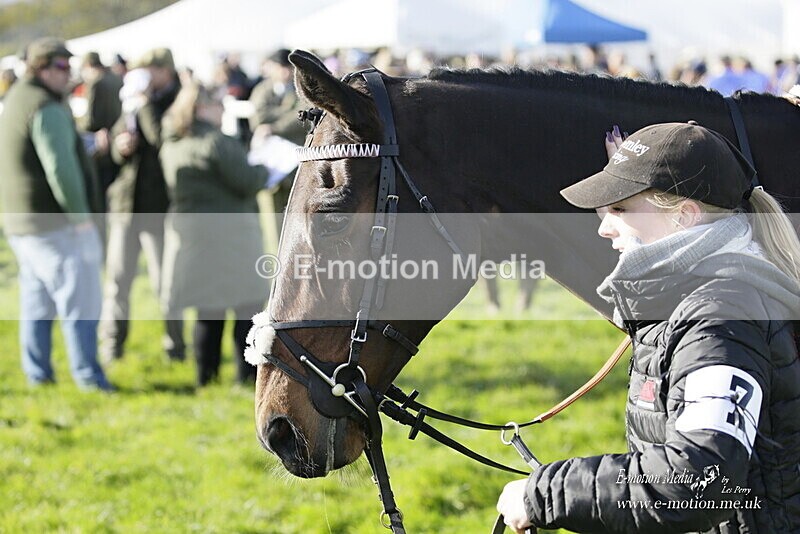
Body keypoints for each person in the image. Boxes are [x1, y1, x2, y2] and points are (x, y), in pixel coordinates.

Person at [497, 122, 800, 533]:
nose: (604, 227)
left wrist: (543, 494)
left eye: (620, 209)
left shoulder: (719, 319)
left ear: (683, 217)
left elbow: (698, 481)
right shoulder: (702, 301)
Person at [0, 37, 111, 390]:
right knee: (80, 301)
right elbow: (61, 171)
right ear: (42, 68)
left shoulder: (17, 98)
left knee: (36, 302)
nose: (68, 74)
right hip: (53, 224)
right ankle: (88, 378)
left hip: (22, 223)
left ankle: (38, 374)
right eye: (61, 66)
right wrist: (81, 219)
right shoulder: (45, 107)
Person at [159, 83, 269, 386]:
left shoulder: (172, 142)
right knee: (247, 306)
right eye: (216, 105)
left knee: (208, 310)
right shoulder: (216, 142)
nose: (222, 111)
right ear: (200, 108)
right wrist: (263, 165)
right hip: (231, 235)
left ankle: (205, 377)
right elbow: (247, 180)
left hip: (194, 235)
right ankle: (246, 376)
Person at [101, 47, 185, 362]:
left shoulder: (175, 100)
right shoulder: (133, 100)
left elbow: (161, 139)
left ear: (164, 70)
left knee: (166, 285)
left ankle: (175, 348)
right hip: (125, 205)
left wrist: (145, 105)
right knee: (117, 282)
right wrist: (119, 147)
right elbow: (116, 138)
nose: (142, 76)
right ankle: (112, 346)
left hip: (158, 206)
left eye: (148, 69)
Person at [77, 51, 123, 205]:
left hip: (100, 144)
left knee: (100, 193)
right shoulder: (116, 78)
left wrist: (77, 125)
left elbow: (91, 119)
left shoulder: (95, 84)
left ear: (89, 66)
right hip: (118, 139)